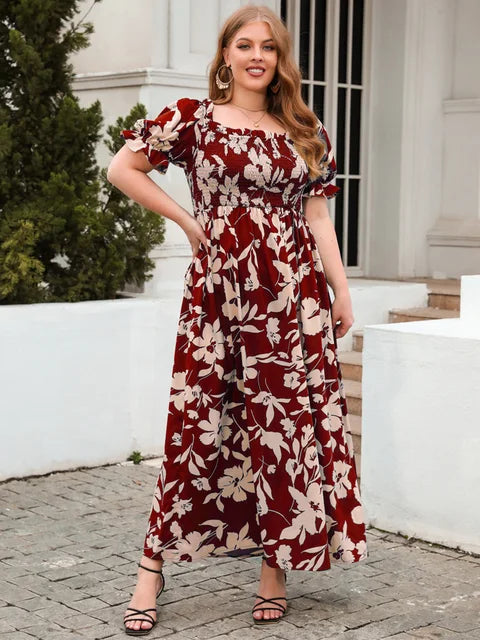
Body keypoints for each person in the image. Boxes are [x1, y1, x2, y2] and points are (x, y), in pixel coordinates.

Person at [107, 4, 368, 635]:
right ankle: (150, 570)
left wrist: (340, 290)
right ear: (225, 54)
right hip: (220, 298)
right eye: (245, 45)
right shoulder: (192, 119)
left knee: (282, 429)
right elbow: (122, 169)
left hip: (292, 300)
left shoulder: (304, 127)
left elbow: (318, 217)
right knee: (197, 426)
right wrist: (187, 220)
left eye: (268, 47)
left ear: (280, 60)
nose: (257, 56)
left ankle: (274, 571)